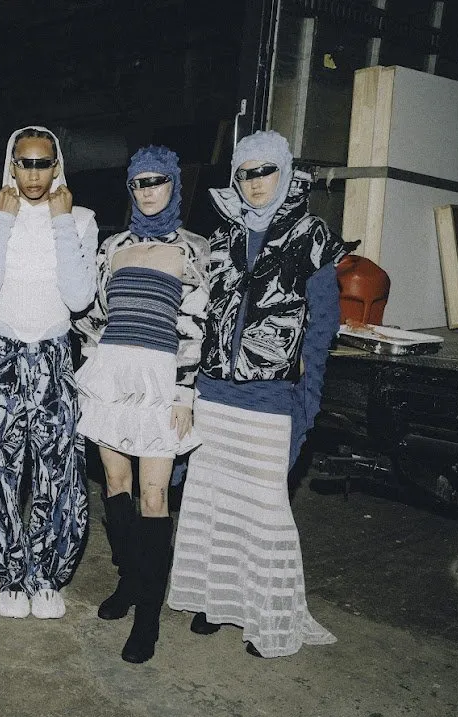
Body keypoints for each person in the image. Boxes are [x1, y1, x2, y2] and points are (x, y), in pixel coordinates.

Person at [167, 129, 350, 658]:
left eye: (266, 170)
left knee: (264, 512)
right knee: (213, 506)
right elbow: (200, 320)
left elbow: (321, 333)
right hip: (215, 395)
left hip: (271, 399)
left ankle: (266, 618)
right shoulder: (223, 239)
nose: (256, 183)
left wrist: (306, 408)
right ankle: (214, 602)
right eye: (245, 173)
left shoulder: (312, 234)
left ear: (286, 173)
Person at [74, 145, 209, 663]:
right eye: (139, 183)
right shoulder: (113, 247)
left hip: (161, 380)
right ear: (130, 190)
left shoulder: (195, 249)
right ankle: (129, 581)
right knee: (115, 484)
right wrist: (91, 370)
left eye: (158, 181)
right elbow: (93, 316)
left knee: (154, 497)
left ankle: (148, 618)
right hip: (112, 376)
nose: (149, 190)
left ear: (174, 185)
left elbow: (196, 327)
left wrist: (184, 393)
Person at [0, 126, 98, 620]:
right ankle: (11, 576)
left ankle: (45, 575)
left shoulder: (80, 220)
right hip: (2, 356)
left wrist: (62, 223)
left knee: (56, 471)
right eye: (25, 163)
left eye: (44, 163)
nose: (35, 174)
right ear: (12, 165)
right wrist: (2, 222)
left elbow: (80, 297)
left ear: (57, 166)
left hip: (54, 355)